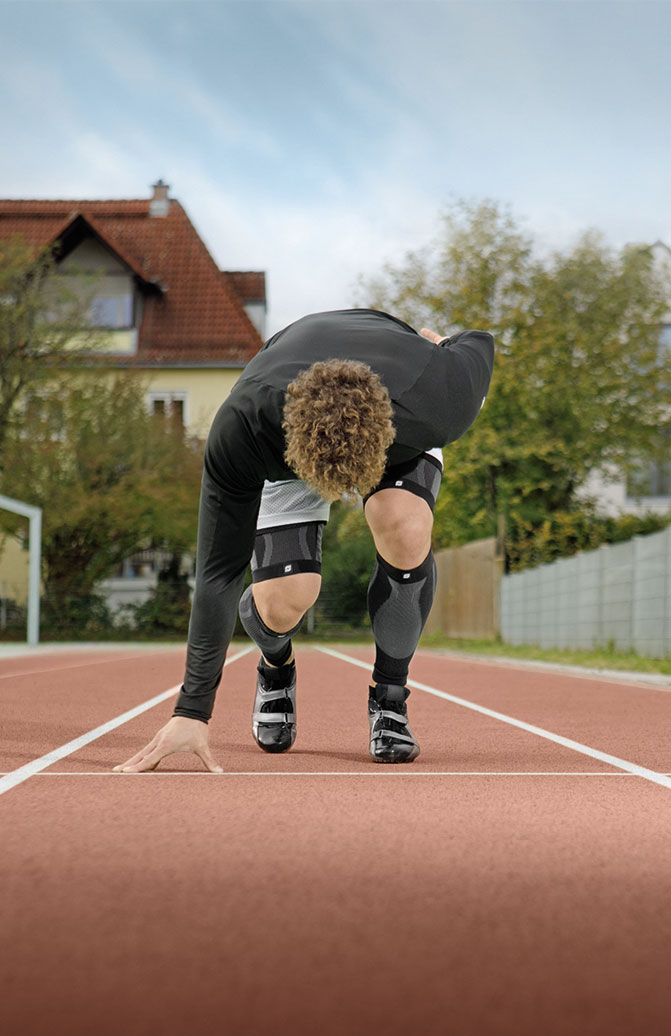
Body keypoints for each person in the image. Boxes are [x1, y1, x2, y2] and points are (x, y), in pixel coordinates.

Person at [114, 309, 494, 773]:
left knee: (404, 526)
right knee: (286, 601)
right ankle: (276, 666)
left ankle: (390, 698)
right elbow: (220, 571)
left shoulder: (441, 397)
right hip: (287, 420)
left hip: (400, 414)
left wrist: (444, 345)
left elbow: (478, 341)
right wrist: (192, 712)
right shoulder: (243, 429)